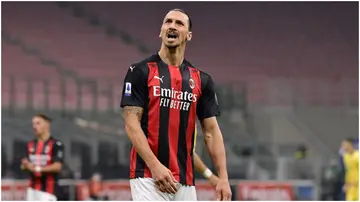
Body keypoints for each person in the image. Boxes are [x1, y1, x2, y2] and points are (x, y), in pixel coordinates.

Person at [121, 8, 231, 201]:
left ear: (188, 35)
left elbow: (211, 131)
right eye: (168, 22)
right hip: (147, 176)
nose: (172, 26)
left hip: (185, 180)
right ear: (161, 31)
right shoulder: (139, 71)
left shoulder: (201, 80)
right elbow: (131, 125)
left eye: (179, 23)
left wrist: (222, 178)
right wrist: (155, 166)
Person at [21, 114, 64, 201]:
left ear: (47, 124)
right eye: (33, 124)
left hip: (48, 191)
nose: (34, 126)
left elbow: (57, 167)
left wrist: (37, 169)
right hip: (32, 190)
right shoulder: (30, 144)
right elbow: (23, 165)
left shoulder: (56, 144)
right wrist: (25, 166)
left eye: (38, 123)